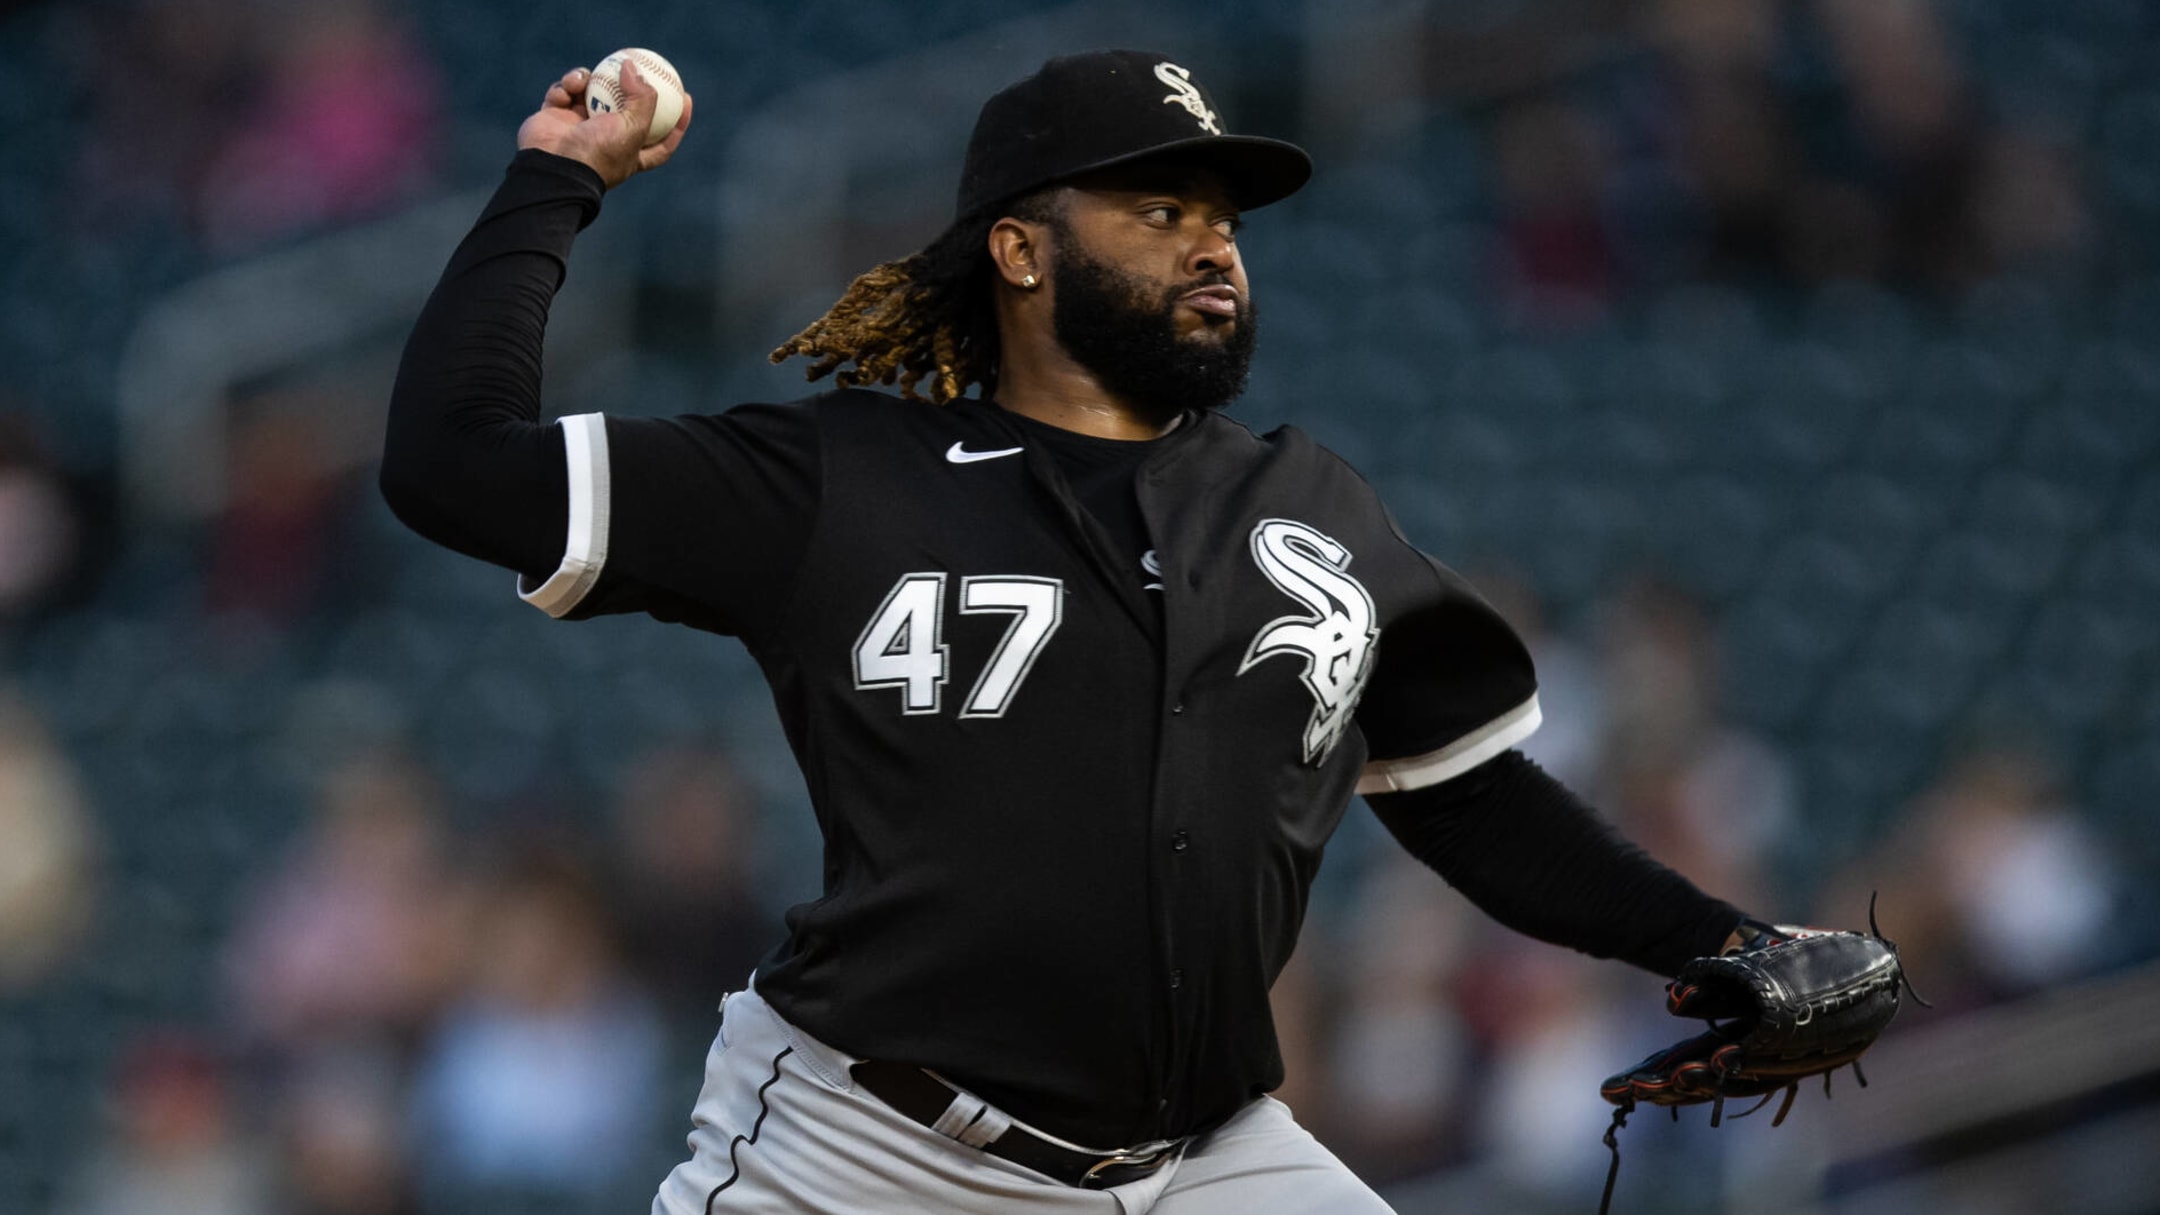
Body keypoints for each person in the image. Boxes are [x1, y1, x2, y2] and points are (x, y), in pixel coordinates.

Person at [383, 49, 1758, 1215]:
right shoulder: (839, 480)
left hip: (1200, 1163)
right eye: (1159, 207)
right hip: (868, 1154)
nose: (1213, 240)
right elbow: (450, 461)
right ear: (1021, 249)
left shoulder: (1308, 509)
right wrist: (555, 179)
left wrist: (1721, 946)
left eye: (1222, 214)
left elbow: (1471, 800)